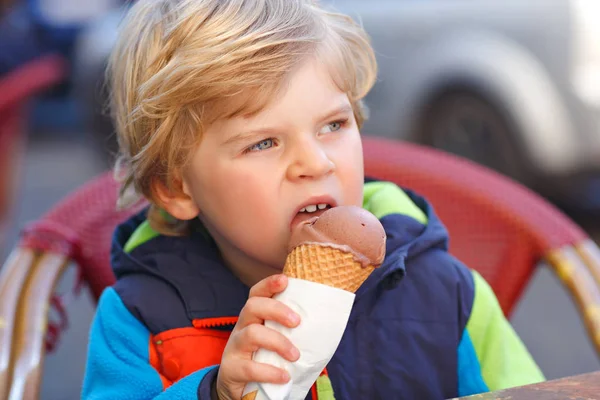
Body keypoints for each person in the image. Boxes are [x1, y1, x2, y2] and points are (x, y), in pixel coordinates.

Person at [81, 0, 544, 398]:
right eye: (263, 143)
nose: (315, 162)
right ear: (177, 189)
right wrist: (214, 392)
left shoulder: (447, 292)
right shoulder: (141, 320)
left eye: (333, 125)